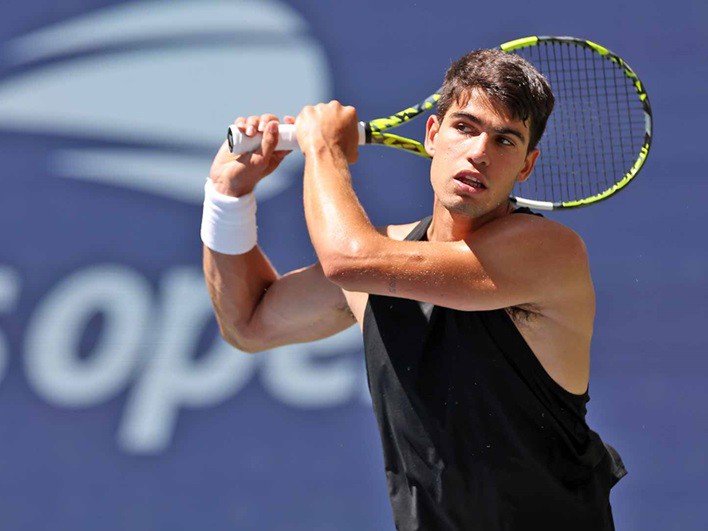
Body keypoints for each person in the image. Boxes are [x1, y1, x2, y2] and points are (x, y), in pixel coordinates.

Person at [201, 49, 626, 530]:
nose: (480, 152)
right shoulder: (383, 259)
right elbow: (247, 323)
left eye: (505, 140)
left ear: (526, 166)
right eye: (464, 127)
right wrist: (227, 196)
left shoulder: (548, 253)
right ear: (431, 134)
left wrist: (324, 148)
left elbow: (347, 260)